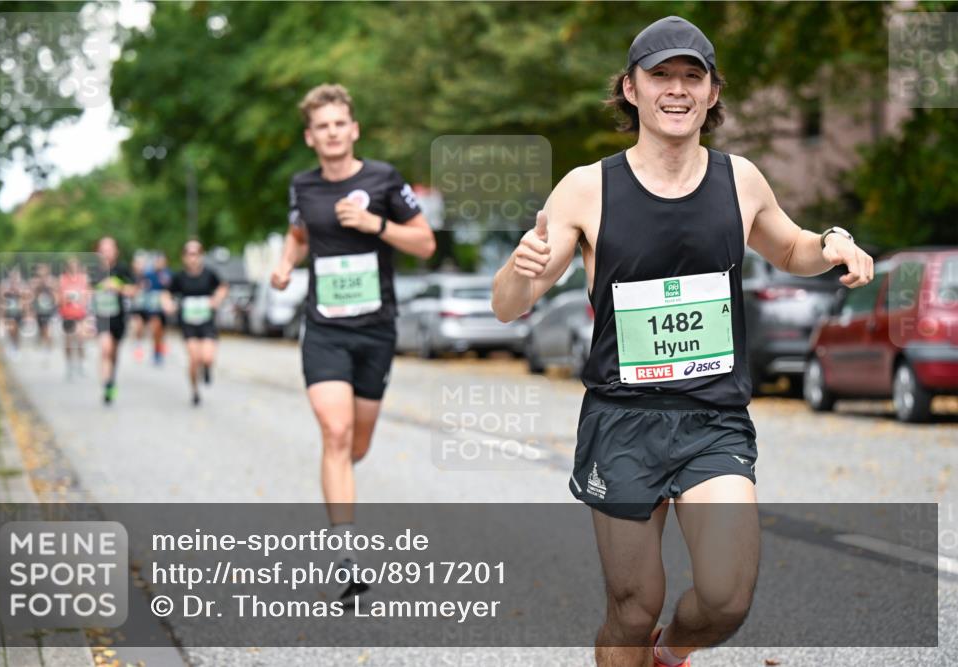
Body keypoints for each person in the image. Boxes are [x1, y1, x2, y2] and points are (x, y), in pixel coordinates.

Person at [491, 16, 873, 667]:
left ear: (713, 92)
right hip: (623, 419)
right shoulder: (588, 187)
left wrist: (832, 242)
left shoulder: (740, 179)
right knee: (632, 607)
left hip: (712, 416)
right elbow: (509, 307)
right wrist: (520, 271)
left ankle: (669, 655)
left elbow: (792, 248)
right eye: (660, 75)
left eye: (691, 76)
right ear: (631, 89)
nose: (676, 89)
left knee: (725, 597)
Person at [269, 83, 435, 599]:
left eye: (340, 123)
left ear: (353, 129)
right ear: (310, 137)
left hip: (375, 328)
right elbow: (300, 235)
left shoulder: (383, 179)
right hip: (324, 327)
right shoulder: (303, 187)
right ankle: (346, 554)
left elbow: (425, 243)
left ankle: (338, 473)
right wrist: (282, 265)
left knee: (355, 444)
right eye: (322, 126)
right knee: (335, 433)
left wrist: (374, 222)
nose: (332, 132)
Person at [162, 240, 227, 406]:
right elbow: (166, 294)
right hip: (188, 323)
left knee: (207, 357)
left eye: (196, 254)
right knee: (194, 358)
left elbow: (222, 287)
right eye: (189, 254)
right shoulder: (179, 277)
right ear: (184, 257)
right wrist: (168, 304)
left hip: (207, 322)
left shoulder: (209, 274)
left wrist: (216, 299)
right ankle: (195, 390)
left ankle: (207, 369)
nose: (193, 258)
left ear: (201, 256)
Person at [93, 237, 136, 405]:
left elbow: (134, 290)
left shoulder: (123, 269)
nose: (106, 253)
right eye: (103, 250)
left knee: (114, 352)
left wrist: (118, 288)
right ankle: (106, 382)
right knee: (105, 349)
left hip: (119, 317)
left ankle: (111, 378)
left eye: (109, 249)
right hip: (101, 316)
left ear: (116, 251)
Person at [58, 256, 90, 379]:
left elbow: (87, 295)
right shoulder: (62, 279)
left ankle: (81, 364)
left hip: (81, 314)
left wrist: (84, 300)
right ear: (67, 267)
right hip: (67, 314)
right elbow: (59, 297)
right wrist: (66, 299)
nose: (73, 268)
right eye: (71, 265)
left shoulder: (83, 279)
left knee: (81, 339)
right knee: (68, 342)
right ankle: (69, 366)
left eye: (75, 265)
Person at [145, 253, 172, 365]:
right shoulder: (149, 274)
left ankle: (159, 350)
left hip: (164, 305)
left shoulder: (168, 274)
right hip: (153, 305)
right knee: (155, 327)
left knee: (161, 331)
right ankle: (156, 352)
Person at [30, 262, 58, 351]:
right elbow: (32, 295)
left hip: (51, 309)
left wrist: (50, 288)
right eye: (40, 272)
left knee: (48, 328)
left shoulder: (52, 281)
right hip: (39, 309)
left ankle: (49, 347)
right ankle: (43, 341)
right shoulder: (35, 281)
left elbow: (57, 294)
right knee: (42, 328)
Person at [129, 254, 149, 362]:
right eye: (138, 264)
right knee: (137, 324)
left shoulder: (147, 277)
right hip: (133, 305)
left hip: (144, 306)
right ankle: (137, 345)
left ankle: (138, 342)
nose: (140, 266)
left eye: (142, 264)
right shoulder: (130, 276)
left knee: (141, 328)